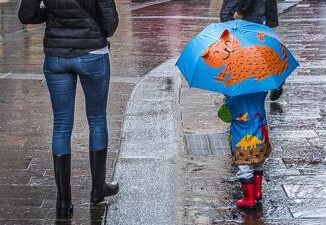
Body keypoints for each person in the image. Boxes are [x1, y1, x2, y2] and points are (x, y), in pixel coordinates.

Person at [18, 0, 119, 219]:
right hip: (93, 53)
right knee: (97, 120)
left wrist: (53, 13)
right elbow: (110, 24)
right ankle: (97, 190)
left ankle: (63, 201)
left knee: (61, 125)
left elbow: (26, 14)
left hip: (56, 55)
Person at [220, 0, 284, 101]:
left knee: (243, 55)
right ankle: (276, 81)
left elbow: (228, 11)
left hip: (249, 20)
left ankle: (235, 89)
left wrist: (237, 15)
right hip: (259, 18)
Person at [218, 92, 271, 209]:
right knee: (258, 164)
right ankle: (257, 192)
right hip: (260, 140)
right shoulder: (261, 93)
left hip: (242, 144)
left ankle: (249, 199)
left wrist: (226, 103)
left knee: (245, 168)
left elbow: (223, 115)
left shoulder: (234, 101)